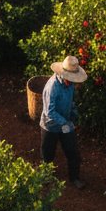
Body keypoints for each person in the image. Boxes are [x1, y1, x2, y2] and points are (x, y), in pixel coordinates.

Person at [40, 55, 88, 189]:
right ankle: (46, 177)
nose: (72, 82)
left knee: (73, 152)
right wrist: (65, 123)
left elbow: (71, 102)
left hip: (65, 123)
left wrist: (74, 115)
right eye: (70, 79)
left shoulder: (70, 85)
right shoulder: (52, 87)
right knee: (48, 154)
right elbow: (50, 111)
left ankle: (75, 178)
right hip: (50, 125)